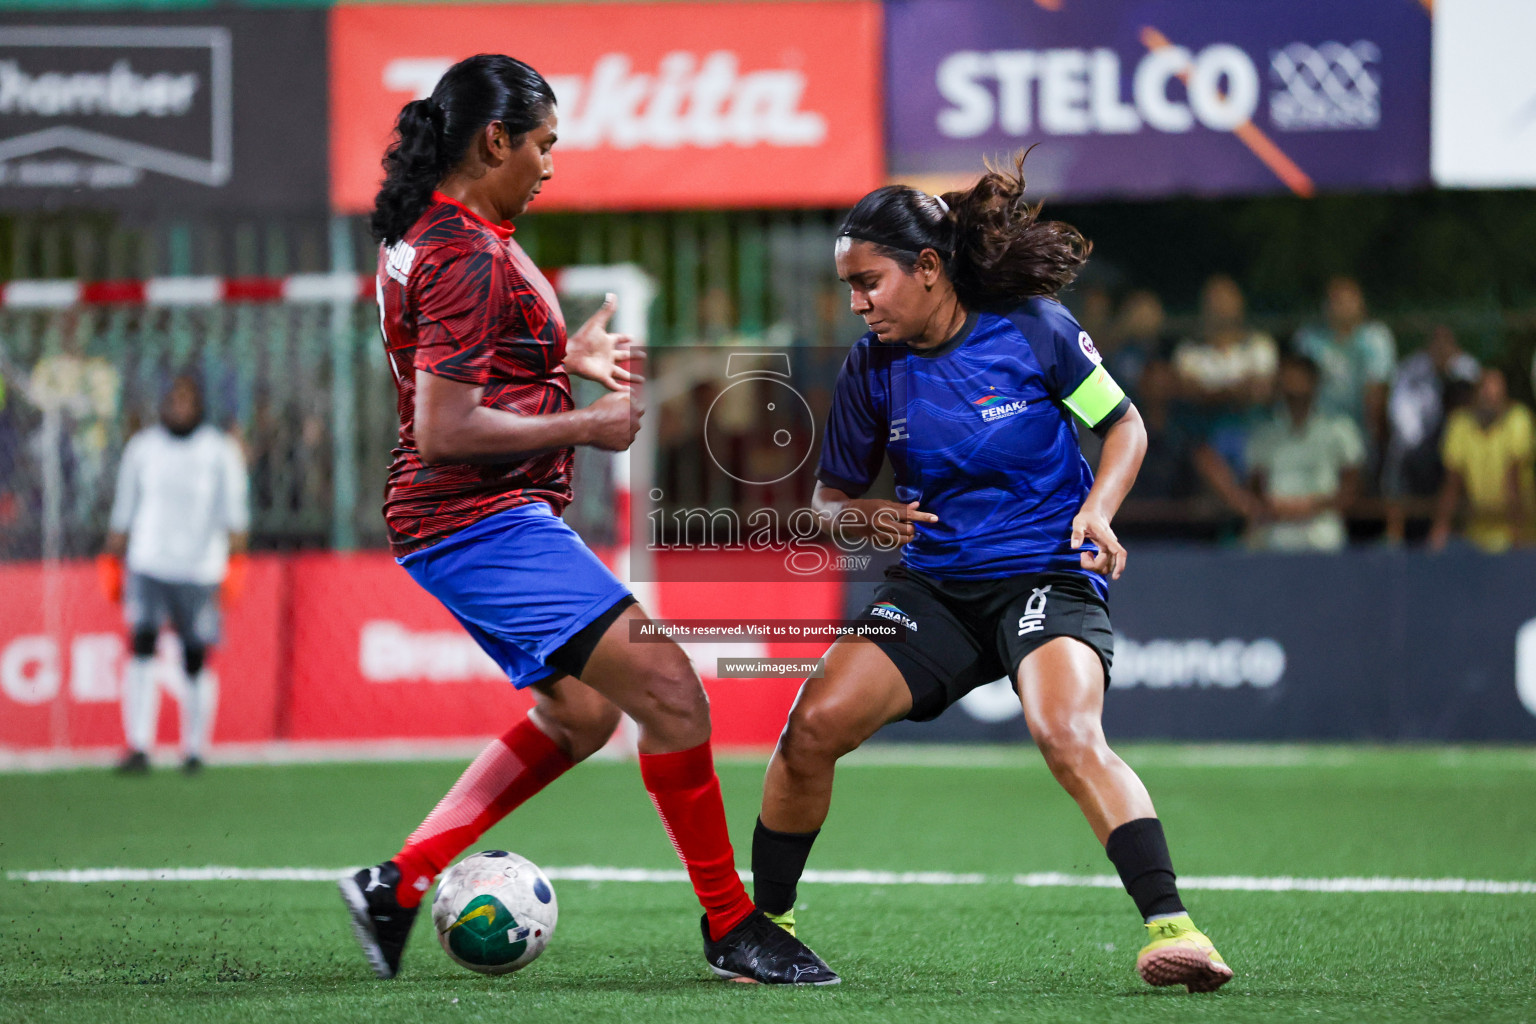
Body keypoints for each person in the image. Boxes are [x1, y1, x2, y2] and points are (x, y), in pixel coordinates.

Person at [337, 54, 834, 986]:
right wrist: (589, 423)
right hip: (477, 518)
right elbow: (443, 428)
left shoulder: (436, 236)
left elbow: (452, 363)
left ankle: (395, 887)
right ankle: (734, 927)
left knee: (584, 711)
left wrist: (558, 352)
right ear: (494, 140)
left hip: (472, 518)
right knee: (674, 692)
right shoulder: (464, 255)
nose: (550, 164)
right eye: (543, 144)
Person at [749, 158, 1232, 993]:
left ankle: (1174, 929)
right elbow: (827, 502)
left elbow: (1123, 428)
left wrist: (1100, 511)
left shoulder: (1033, 329)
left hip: (1047, 569)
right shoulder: (872, 368)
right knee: (811, 728)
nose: (857, 304)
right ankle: (768, 930)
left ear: (928, 268)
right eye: (849, 287)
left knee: (1064, 731)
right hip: (935, 587)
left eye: (870, 283)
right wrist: (861, 516)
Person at [100, 374, 249, 774]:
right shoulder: (144, 447)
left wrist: (234, 563)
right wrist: (114, 556)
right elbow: (125, 504)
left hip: (199, 567)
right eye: (174, 399)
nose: (179, 407)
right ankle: (139, 745)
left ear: (200, 405)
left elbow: (234, 512)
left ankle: (195, 749)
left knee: (195, 655)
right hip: (148, 561)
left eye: (187, 399)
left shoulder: (218, 450)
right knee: (142, 644)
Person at [1242, 353, 1364, 552]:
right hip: (1276, 529)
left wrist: (1313, 506)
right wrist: (1276, 508)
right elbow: (1255, 488)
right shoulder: (1263, 433)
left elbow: (1352, 487)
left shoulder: (1340, 430)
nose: (1293, 387)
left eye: (1299, 379)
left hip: (1324, 528)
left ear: (1315, 382)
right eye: (1288, 380)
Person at [1383, 326, 1480, 543]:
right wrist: (1420, 444)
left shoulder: (1467, 366)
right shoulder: (1410, 368)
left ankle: (1459, 530)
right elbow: (1402, 417)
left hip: (1459, 439)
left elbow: (1470, 406)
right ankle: (1394, 534)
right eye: (1437, 342)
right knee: (1402, 452)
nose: (1442, 348)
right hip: (1420, 445)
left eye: (1447, 342)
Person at [1430, 367, 1535, 552]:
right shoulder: (1460, 424)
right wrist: (1439, 530)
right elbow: (1452, 483)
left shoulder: (1519, 420)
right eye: (1485, 389)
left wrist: (1517, 537)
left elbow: (1514, 481)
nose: (1490, 396)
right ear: (1476, 394)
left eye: (1496, 391)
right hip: (1476, 537)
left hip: (1518, 535)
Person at [1292, 277, 1396, 463]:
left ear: (1361, 305)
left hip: (1361, 426)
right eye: (1336, 301)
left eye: (1349, 301)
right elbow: (1298, 385)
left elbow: (1376, 389)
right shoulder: (1308, 339)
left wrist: (1371, 433)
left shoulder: (1376, 337)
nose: (1342, 308)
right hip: (1317, 425)